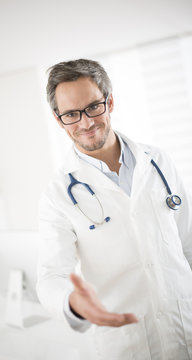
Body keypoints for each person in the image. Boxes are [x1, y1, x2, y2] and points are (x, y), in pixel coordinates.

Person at [36, 59, 192, 360]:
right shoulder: (57, 195)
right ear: (58, 120)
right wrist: (72, 302)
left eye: (94, 107)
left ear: (109, 102)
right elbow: (51, 275)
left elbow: (188, 242)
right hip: (129, 343)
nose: (85, 123)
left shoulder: (158, 161)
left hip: (184, 323)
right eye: (71, 114)